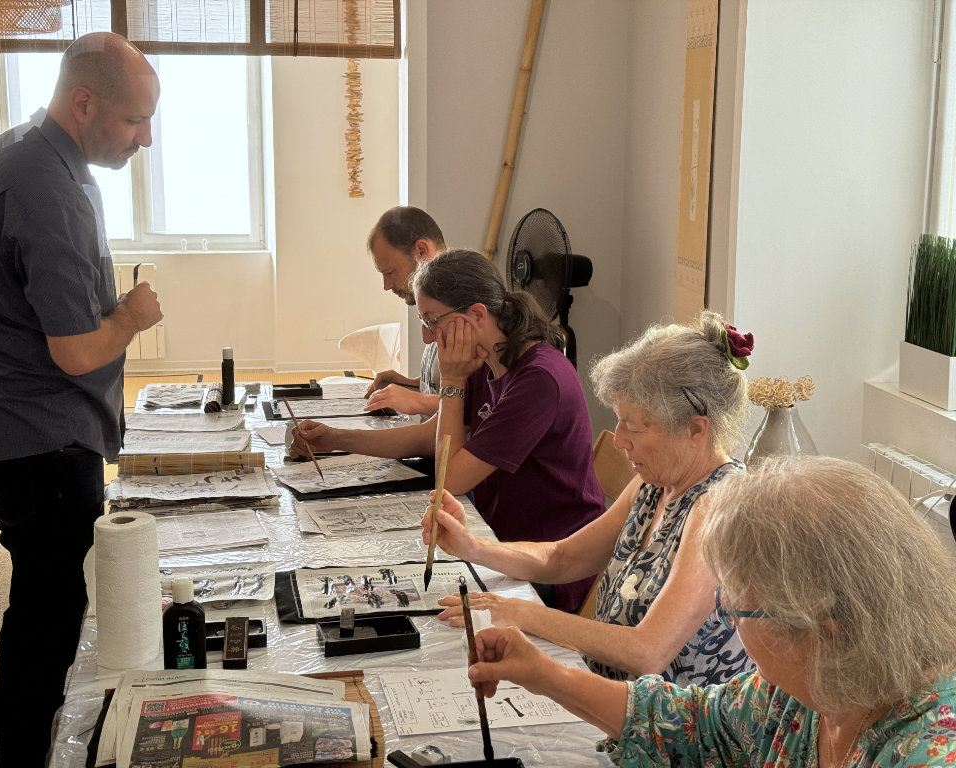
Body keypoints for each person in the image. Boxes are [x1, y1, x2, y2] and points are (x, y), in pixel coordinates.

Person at [0, 32, 162, 766]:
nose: (146, 138)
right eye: (135, 120)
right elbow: (75, 350)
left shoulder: (15, 150)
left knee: (46, 596)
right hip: (39, 438)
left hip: (2, 420)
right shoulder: (47, 187)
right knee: (47, 609)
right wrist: (132, 316)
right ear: (84, 102)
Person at [466, 456, 956, 766]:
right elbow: (697, 723)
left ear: (817, 633)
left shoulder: (927, 751)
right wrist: (543, 673)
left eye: (735, 606)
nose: (725, 615)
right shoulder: (805, 690)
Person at [424, 311, 754, 686]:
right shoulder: (658, 482)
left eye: (635, 425)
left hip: (672, 730)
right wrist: (472, 546)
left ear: (695, 429)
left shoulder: (720, 506)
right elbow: (562, 558)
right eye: (619, 421)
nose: (619, 439)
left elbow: (647, 651)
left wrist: (519, 613)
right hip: (611, 698)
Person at [292, 249, 605, 612]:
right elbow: (431, 437)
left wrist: (453, 380)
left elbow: (450, 480)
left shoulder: (538, 379)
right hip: (495, 538)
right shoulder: (486, 357)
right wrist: (335, 439)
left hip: (548, 567)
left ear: (476, 314)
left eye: (433, 321)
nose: (428, 337)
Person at [362, 206, 446, 417]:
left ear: (421, 252)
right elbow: (446, 389)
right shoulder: (435, 304)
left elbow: (475, 407)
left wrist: (416, 401)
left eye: (390, 272)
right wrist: (408, 386)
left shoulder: (462, 310)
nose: (386, 285)